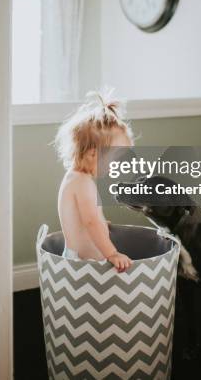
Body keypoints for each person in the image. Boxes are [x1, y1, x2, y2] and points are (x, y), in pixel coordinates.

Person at [55, 90, 133, 272]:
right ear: (93, 154)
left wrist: (101, 221)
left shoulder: (75, 178)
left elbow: (85, 219)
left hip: (80, 259)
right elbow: (91, 222)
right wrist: (112, 254)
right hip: (84, 265)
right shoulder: (83, 183)